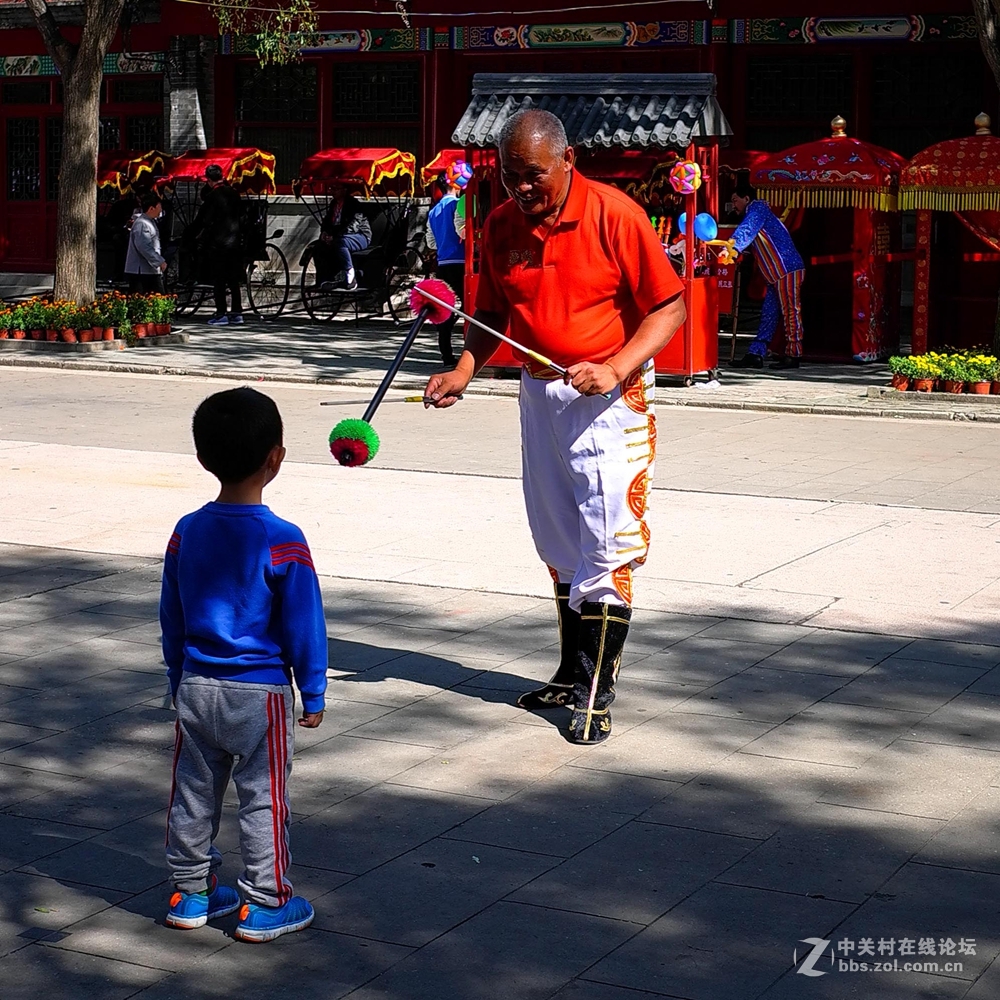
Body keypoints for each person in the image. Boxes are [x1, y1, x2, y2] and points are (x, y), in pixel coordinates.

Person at [423, 109, 686, 745]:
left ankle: (598, 690)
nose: (521, 188)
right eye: (509, 175)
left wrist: (616, 366)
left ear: (568, 161)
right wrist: (463, 370)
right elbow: (491, 312)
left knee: (608, 537)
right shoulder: (500, 222)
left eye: (533, 175)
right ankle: (571, 673)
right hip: (540, 395)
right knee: (558, 537)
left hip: (610, 398)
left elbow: (669, 306)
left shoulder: (615, 214)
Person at [160, 387, 327, 942]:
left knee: (192, 793)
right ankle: (265, 902)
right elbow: (304, 623)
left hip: (197, 684)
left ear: (202, 457)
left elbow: (171, 614)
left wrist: (177, 675)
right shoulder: (283, 540)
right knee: (263, 800)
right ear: (275, 457)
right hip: (260, 695)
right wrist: (314, 690)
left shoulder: (187, 530)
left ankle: (190, 892)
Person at [729, 180, 806, 369]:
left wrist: (732, 247)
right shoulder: (756, 212)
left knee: (790, 311)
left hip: (786, 268)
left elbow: (747, 229)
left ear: (747, 198)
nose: (733, 205)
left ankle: (793, 354)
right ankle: (756, 353)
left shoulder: (757, 209)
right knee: (769, 313)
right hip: (776, 272)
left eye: (735, 200)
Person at [424, 161, 471, 366]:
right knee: (470, 308)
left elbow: (430, 242)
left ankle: (446, 355)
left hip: (443, 263)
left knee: (446, 308)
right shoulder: (457, 205)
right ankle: (471, 353)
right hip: (461, 262)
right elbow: (463, 231)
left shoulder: (433, 211)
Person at [188, 164, 244, 326]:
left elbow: (205, 221)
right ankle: (237, 312)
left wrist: (194, 235)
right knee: (233, 279)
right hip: (235, 242)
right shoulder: (234, 194)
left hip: (219, 243)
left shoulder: (212, 196)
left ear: (208, 180)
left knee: (219, 279)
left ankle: (221, 313)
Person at [313, 182, 373, 291]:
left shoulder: (353, 204)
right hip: (338, 235)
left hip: (359, 235)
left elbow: (353, 225)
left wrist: (335, 237)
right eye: (331, 188)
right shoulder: (334, 204)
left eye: (336, 188)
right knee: (318, 246)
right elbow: (327, 221)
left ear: (344, 190)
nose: (332, 191)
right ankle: (324, 280)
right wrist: (325, 233)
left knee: (341, 242)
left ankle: (351, 276)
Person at [124, 191, 167, 293]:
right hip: (141, 271)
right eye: (159, 207)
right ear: (151, 208)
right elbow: (144, 246)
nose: (160, 210)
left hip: (148, 270)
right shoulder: (142, 223)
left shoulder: (149, 221)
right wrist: (159, 261)